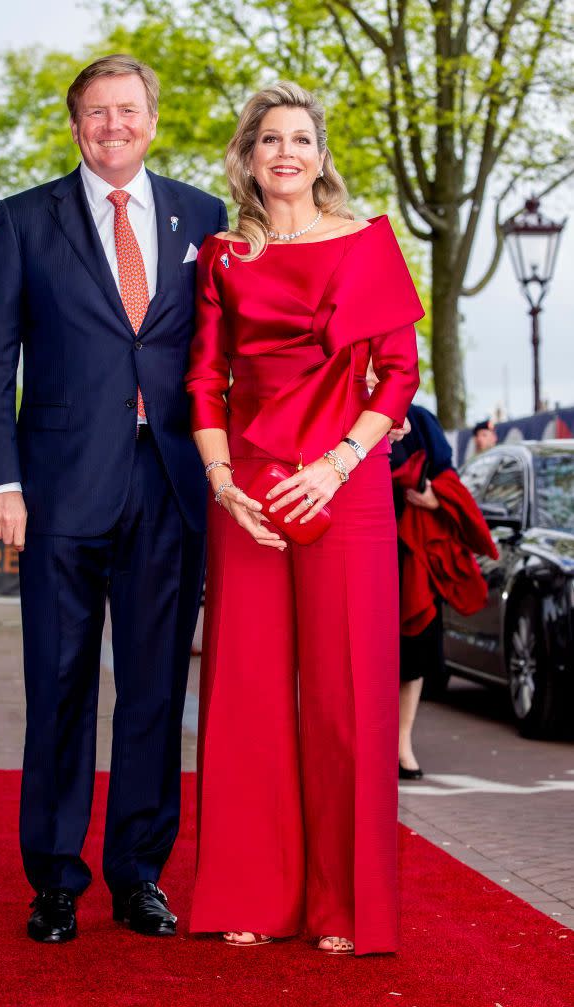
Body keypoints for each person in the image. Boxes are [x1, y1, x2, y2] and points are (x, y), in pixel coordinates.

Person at [0, 54, 227, 943]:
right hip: (57, 491)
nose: (112, 126)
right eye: (95, 113)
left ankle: (138, 874)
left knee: (153, 692)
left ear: (152, 119)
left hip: (170, 485)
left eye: (127, 110)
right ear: (74, 125)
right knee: (61, 685)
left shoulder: (206, 217)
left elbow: (232, 353)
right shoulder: (22, 221)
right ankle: (54, 879)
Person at [185, 82, 423, 955]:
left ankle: (344, 909)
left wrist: (336, 464)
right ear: (248, 157)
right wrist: (220, 481)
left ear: (321, 156)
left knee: (346, 695)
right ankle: (250, 891)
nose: (285, 152)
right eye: (268, 139)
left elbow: (397, 372)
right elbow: (203, 379)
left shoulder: (367, 243)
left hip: (345, 482)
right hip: (246, 485)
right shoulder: (221, 256)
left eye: (300, 139)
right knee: (244, 690)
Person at [390, 404, 499, 778]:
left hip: (411, 555)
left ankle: (402, 743)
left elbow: (445, 475)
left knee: (414, 652)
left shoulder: (419, 419)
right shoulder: (343, 408)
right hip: (358, 547)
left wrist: (437, 498)